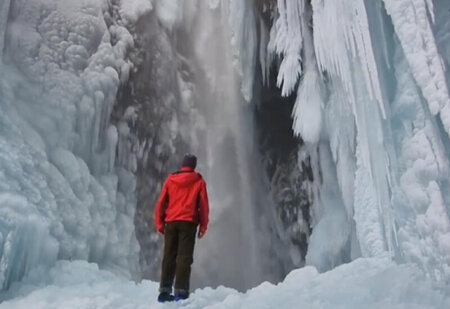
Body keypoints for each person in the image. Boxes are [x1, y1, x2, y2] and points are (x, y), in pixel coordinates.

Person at [154, 154, 210, 302]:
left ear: (182, 165)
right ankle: (181, 292)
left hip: (171, 221)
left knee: (169, 256)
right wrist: (203, 226)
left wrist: (159, 223)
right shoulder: (198, 181)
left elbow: (161, 202)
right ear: (194, 165)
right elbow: (203, 205)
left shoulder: (171, 179)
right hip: (188, 223)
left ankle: (164, 291)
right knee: (184, 258)